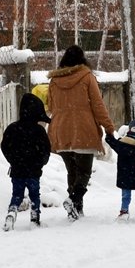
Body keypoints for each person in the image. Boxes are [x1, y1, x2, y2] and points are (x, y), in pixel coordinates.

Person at [46, 45, 115, 220]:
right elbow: (98, 105)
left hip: (61, 130)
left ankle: (76, 210)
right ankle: (74, 200)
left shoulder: (54, 81)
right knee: (84, 172)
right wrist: (108, 127)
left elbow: (51, 106)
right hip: (83, 129)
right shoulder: (87, 77)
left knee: (72, 172)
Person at [0, 93, 52, 231]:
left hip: (17, 170)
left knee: (17, 195)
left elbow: (5, 146)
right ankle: (35, 219)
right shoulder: (39, 131)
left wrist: (13, 160)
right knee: (35, 195)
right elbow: (46, 149)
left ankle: (11, 213)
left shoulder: (12, 128)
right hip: (33, 171)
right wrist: (41, 162)